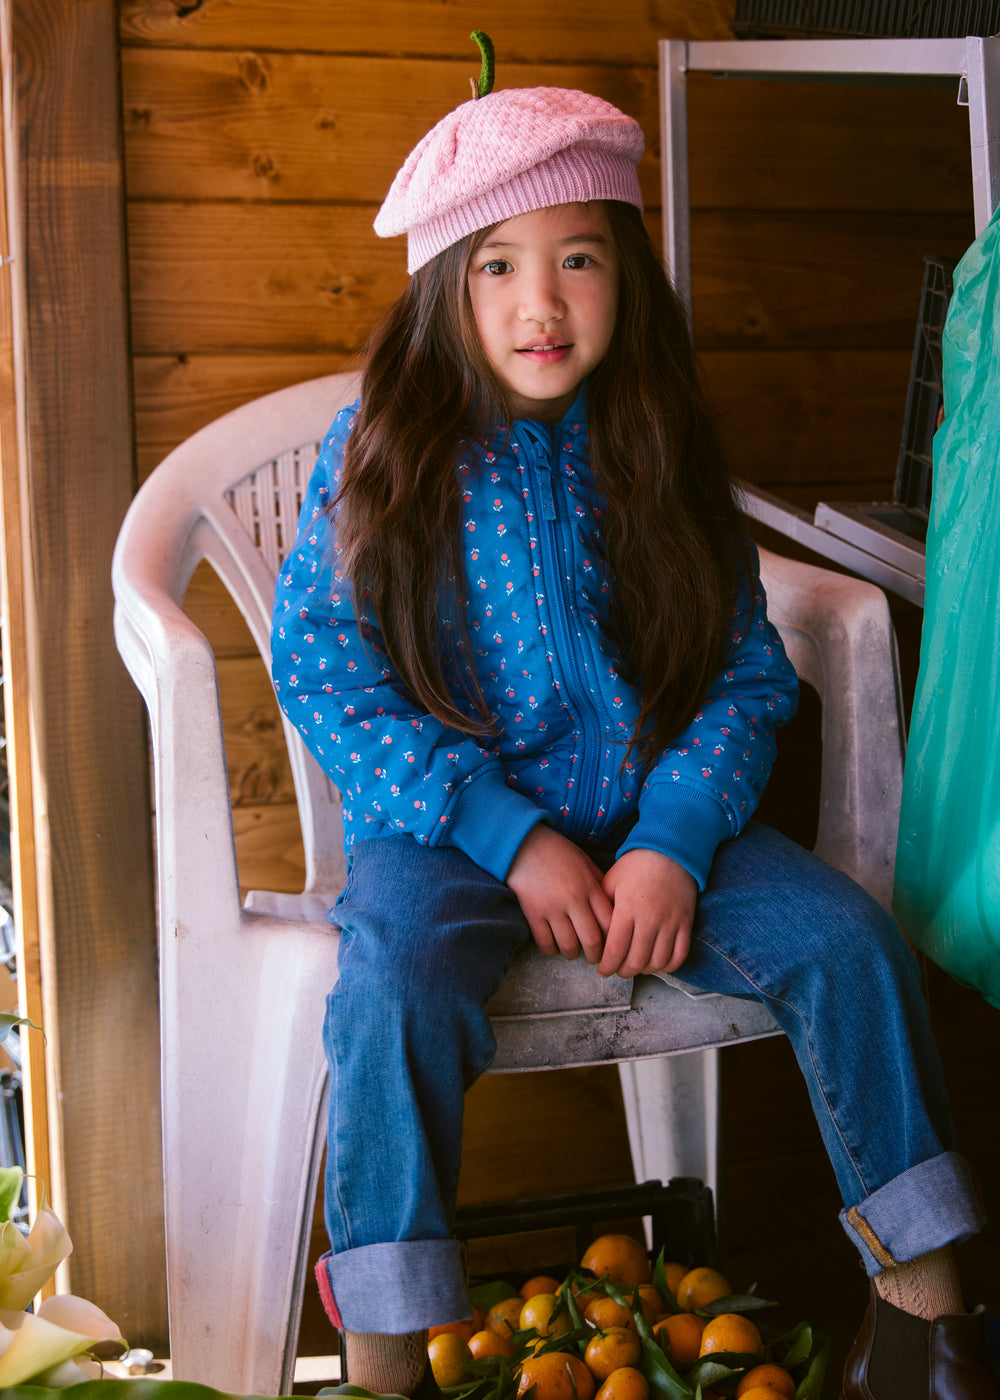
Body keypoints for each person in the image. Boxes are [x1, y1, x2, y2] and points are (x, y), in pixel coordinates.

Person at [270, 82, 997, 1400]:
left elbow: (746, 677)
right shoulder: (381, 453)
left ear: (627, 276)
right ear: (443, 285)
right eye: (497, 266)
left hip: (660, 817)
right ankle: (383, 1366)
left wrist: (672, 840)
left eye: (581, 258)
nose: (541, 303)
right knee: (391, 991)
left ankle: (929, 1327)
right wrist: (506, 835)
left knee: (851, 945)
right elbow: (326, 675)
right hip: (446, 834)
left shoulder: (655, 445)